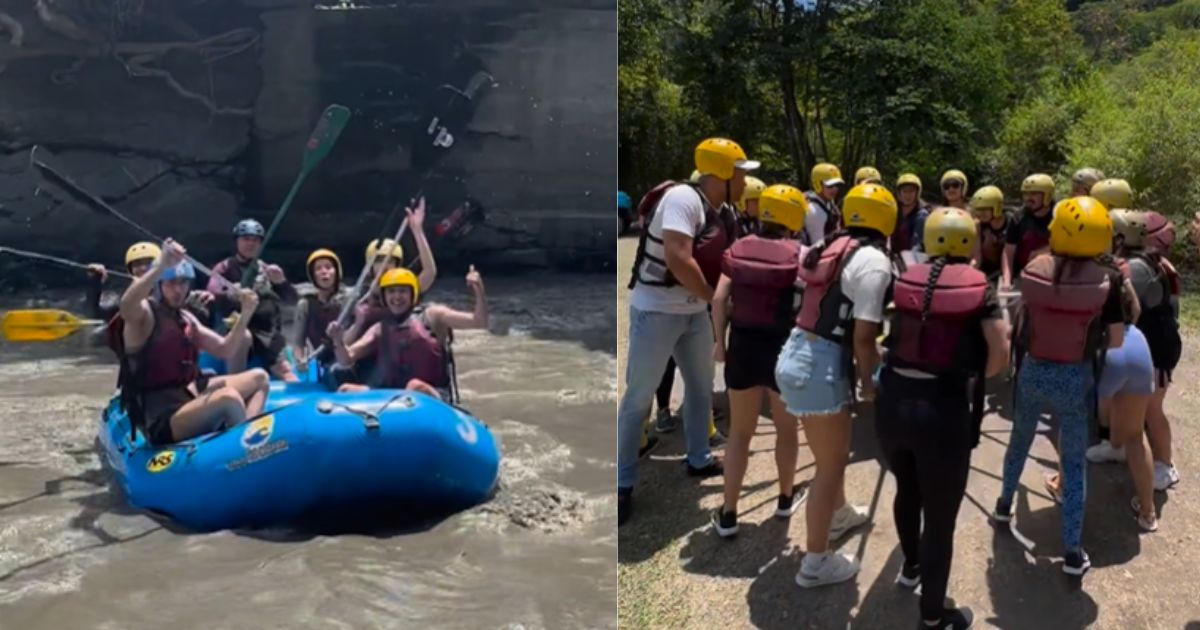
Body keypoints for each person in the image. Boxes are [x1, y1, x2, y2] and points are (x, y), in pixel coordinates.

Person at [877, 207, 1009, 630]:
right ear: (968, 241)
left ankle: (911, 566)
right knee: (939, 519)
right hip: (943, 411)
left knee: (906, 489)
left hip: (892, 404)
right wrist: (972, 378)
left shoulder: (905, 278)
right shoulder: (980, 287)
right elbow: (999, 354)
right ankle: (933, 618)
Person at [618, 137, 752, 526]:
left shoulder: (722, 209)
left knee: (699, 390)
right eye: (741, 173)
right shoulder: (682, 199)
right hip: (657, 312)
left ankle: (698, 458)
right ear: (722, 173)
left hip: (694, 314)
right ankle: (622, 482)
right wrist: (716, 301)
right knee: (638, 397)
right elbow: (678, 258)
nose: (745, 182)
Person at [993, 196, 1127, 577]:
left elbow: (1022, 320)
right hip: (1074, 375)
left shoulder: (1035, 267)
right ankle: (1071, 552)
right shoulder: (1109, 279)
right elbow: (1115, 341)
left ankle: (1003, 506)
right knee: (1072, 461)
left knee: (1020, 439)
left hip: (1034, 369)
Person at [775, 183, 896, 586]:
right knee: (829, 466)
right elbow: (864, 338)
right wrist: (869, 384)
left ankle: (839, 513)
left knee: (832, 456)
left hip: (796, 352)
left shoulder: (830, 244)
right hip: (822, 364)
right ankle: (815, 562)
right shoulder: (874, 261)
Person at [1041, 208, 1157, 531]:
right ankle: (1148, 514)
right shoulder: (1115, 266)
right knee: (1135, 436)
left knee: (1071, 425)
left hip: (1096, 354)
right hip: (1135, 346)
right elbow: (1133, 309)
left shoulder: (1060, 271)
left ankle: (1064, 486)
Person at [710, 184, 809, 538]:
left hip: (743, 348)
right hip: (784, 350)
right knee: (786, 429)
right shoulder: (800, 253)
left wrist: (719, 344)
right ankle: (784, 500)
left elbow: (719, 299)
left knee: (739, 433)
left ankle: (728, 514)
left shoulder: (737, 248)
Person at [111, 238, 270, 445]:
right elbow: (126, 304)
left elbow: (225, 349)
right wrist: (161, 265)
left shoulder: (185, 319)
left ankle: (248, 442)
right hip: (159, 415)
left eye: (184, 282)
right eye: (172, 283)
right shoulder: (144, 316)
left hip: (187, 394)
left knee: (259, 378)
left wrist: (246, 313)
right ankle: (246, 452)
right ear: (159, 285)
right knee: (228, 397)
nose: (179, 290)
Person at [1089, 211, 1182, 491]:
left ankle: (1166, 465)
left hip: (1156, 345)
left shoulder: (1135, 268)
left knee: (1152, 409)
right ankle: (1116, 446)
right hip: (1143, 341)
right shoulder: (1140, 259)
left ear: (1118, 237)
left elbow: (1120, 305)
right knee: (1118, 401)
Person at [328, 266, 486, 400]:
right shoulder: (378, 329)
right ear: (384, 297)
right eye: (391, 292)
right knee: (345, 389)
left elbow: (478, 322)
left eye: (402, 291)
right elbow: (345, 359)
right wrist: (338, 340)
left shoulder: (432, 316)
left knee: (414, 386)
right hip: (393, 398)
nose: (397, 297)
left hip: (432, 395)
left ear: (412, 294)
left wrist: (479, 290)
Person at [206, 219, 300, 380]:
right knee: (243, 337)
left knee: (285, 370)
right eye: (246, 239)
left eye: (255, 240)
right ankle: (237, 383)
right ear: (237, 241)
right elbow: (212, 290)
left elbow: (292, 300)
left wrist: (282, 282)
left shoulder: (266, 269)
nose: (250, 244)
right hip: (235, 327)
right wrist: (232, 293)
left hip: (265, 331)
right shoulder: (225, 267)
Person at [291, 248, 353, 371]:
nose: (324, 272)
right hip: (325, 361)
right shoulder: (305, 304)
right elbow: (298, 341)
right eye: (318, 269)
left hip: (349, 358)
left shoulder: (349, 299)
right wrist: (300, 360)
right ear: (313, 276)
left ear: (336, 272)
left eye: (328, 267)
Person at [1001, 173, 1056, 291]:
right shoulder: (1018, 218)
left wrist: (1045, 251)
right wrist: (1007, 280)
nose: (1028, 198)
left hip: (1055, 274)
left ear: (1047, 195)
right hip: (1024, 274)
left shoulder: (1060, 215)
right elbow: (1008, 252)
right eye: (1025, 194)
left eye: (1034, 193)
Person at [968, 186, 1010, 282]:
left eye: (985, 209)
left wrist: (1006, 279)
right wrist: (969, 274)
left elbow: (1010, 253)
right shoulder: (978, 225)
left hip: (1012, 270)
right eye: (978, 209)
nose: (981, 213)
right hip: (988, 271)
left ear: (997, 208)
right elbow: (976, 256)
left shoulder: (1012, 222)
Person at [802, 163, 845, 246]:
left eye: (837, 185)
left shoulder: (827, 202)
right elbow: (817, 246)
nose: (835, 189)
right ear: (818, 184)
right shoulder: (815, 212)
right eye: (830, 185)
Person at [891, 173, 930, 256]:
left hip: (912, 258)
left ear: (917, 193)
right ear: (899, 193)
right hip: (893, 256)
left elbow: (917, 244)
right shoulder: (893, 210)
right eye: (904, 191)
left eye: (911, 191)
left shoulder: (922, 215)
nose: (907, 195)